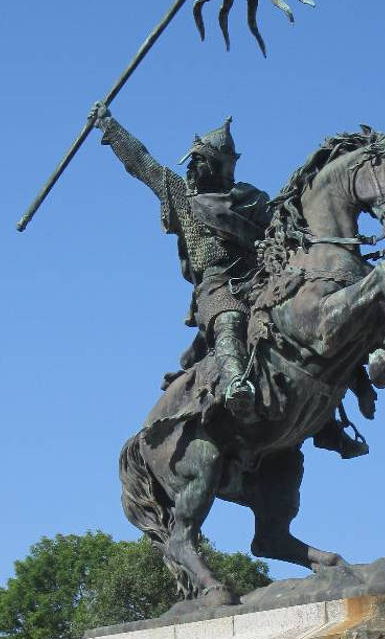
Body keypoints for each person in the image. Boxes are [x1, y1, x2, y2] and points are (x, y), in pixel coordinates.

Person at [90, 103, 269, 416]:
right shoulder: (183, 197)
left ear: (217, 165)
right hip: (217, 288)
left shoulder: (251, 199)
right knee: (229, 319)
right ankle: (236, 384)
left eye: (199, 161)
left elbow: (279, 231)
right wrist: (109, 126)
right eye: (193, 161)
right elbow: (142, 163)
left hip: (258, 281)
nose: (193, 167)